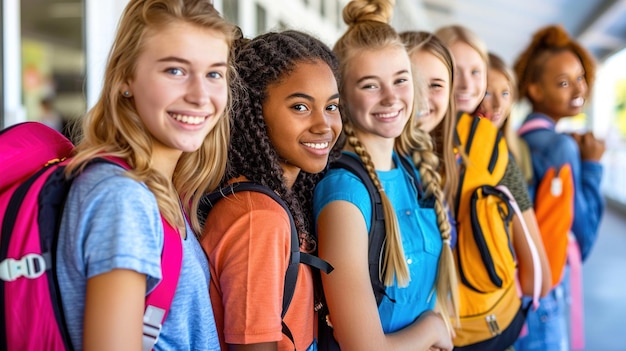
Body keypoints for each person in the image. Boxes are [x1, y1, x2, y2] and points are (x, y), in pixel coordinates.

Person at [55, 0, 235, 349]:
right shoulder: (124, 198)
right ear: (126, 79)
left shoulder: (157, 190)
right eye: (175, 71)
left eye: (214, 73)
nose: (200, 96)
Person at [313, 1, 458, 350]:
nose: (391, 97)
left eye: (400, 80)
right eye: (370, 85)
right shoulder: (344, 193)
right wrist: (432, 330)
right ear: (343, 98)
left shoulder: (409, 171)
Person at [200, 30, 342, 351]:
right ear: (253, 112)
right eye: (301, 107)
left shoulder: (280, 199)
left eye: (331, 107)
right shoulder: (257, 219)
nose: (324, 125)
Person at [435, 24, 551, 298]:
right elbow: (538, 279)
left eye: (476, 72)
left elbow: (540, 275)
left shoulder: (495, 152)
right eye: (453, 71)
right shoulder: (493, 152)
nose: (465, 83)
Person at [513, 24, 605, 351]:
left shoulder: (519, 140)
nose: (578, 88)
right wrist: (592, 165)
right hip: (547, 291)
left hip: (519, 287)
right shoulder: (560, 149)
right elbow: (583, 236)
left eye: (580, 77)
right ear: (534, 89)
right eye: (563, 82)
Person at [400, 30, 458, 228]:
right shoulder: (383, 167)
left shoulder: (445, 160)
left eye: (436, 85)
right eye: (412, 83)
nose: (423, 97)